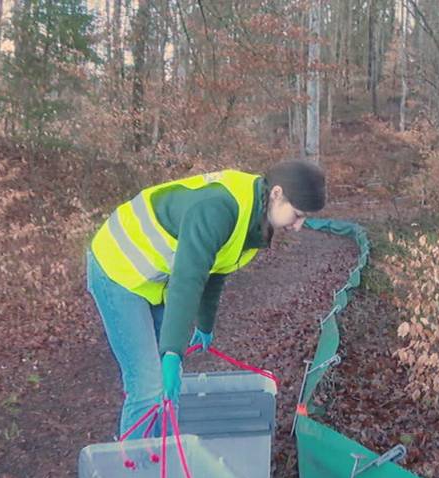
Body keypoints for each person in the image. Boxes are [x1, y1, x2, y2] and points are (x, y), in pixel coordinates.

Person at [86, 160, 327, 438]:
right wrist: (173, 351)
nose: (298, 226)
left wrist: (204, 323)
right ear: (277, 193)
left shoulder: (254, 216)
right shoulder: (218, 209)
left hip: (151, 278)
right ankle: (134, 462)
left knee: (168, 388)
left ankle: (163, 453)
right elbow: (187, 281)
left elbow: (216, 268)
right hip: (117, 268)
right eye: (297, 215)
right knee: (148, 386)